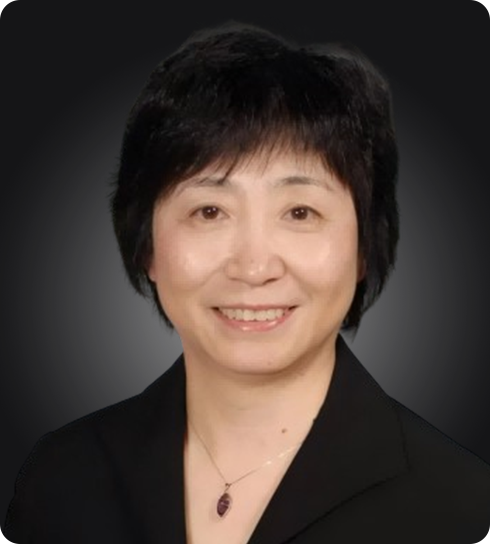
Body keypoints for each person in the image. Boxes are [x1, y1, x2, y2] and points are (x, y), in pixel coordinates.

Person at [2, 21, 490, 544]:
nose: (254, 268)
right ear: (147, 247)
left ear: (364, 248)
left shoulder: (463, 509)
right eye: (209, 211)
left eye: (300, 212)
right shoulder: (61, 479)